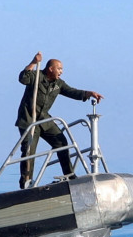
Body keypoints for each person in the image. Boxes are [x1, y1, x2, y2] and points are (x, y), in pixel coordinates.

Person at [15, 52, 103, 189]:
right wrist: (33, 61)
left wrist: (88, 93)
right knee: (29, 151)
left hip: (44, 119)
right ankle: (26, 184)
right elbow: (23, 78)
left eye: (62, 69)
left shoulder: (58, 84)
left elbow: (71, 91)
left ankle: (69, 175)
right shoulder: (36, 76)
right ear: (51, 69)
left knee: (62, 142)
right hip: (29, 120)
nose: (61, 72)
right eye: (59, 69)